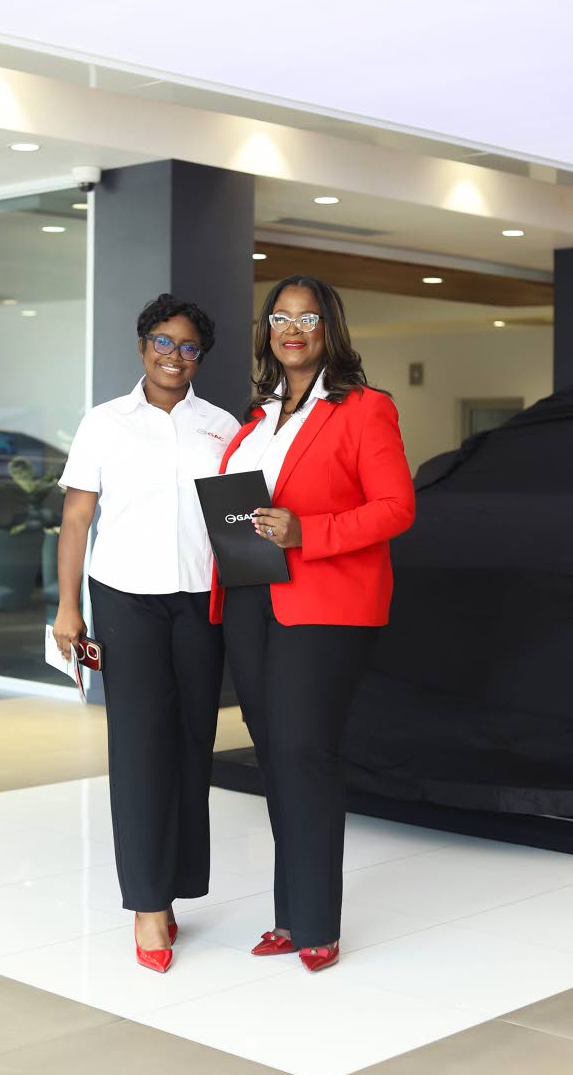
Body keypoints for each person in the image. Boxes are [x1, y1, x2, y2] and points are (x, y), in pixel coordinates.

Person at [213, 276, 415, 973]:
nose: (291, 329)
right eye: (279, 318)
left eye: (306, 318)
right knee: (273, 755)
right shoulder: (255, 418)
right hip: (250, 600)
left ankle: (318, 922)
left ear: (330, 327)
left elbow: (396, 508)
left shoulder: (363, 409)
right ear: (267, 332)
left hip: (326, 601)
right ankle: (287, 914)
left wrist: (307, 530)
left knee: (305, 751)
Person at [54, 293, 239, 974]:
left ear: (201, 357)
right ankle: (147, 908)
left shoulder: (223, 428)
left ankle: (174, 886)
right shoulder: (104, 423)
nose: (173, 355)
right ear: (142, 347)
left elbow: (240, 524)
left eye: (188, 346)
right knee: (138, 750)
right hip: (125, 600)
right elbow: (77, 520)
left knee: (193, 745)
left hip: (199, 601)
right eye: (163, 342)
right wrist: (67, 608)